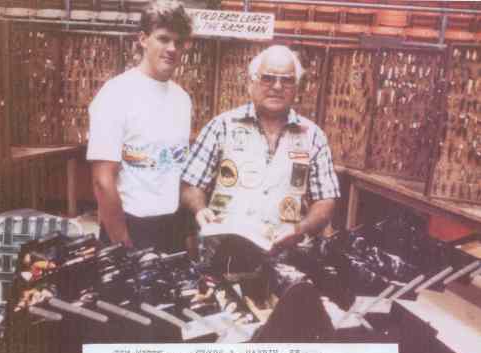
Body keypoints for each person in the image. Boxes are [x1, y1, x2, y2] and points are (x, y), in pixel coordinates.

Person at [181, 45, 340, 297]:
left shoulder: (313, 137)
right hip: (222, 257)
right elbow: (191, 184)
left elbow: (326, 200)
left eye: (286, 80)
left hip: (286, 260)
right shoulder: (222, 126)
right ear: (252, 83)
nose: (277, 86)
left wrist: (300, 230)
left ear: (296, 87)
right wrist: (200, 210)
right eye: (268, 78)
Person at [87, 0, 192, 250]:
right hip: (130, 227)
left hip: (172, 225)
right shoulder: (116, 93)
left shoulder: (182, 99)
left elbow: (177, 169)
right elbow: (103, 180)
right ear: (143, 39)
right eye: (163, 39)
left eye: (178, 42)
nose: (172, 48)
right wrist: (122, 242)